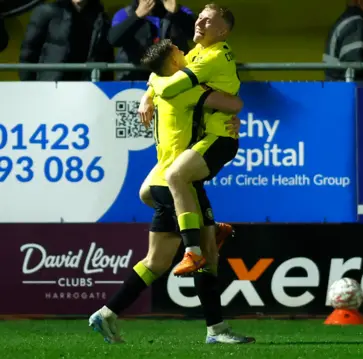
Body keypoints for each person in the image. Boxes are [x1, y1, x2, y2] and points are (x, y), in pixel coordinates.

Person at [89, 39, 254, 345]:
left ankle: (106, 313)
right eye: (180, 52)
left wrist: (148, 95)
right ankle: (216, 330)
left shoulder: (159, 81)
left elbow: (154, 77)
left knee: (156, 262)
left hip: (162, 181)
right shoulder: (183, 88)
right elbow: (235, 105)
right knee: (207, 255)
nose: (186, 54)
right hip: (179, 183)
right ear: (175, 63)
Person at [139, 3, 240, 277]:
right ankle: (209, 227)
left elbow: (169, 86)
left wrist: (153, 88)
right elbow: (160, 73)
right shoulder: (198, 52)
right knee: (150, 193)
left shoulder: (214, 56)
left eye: (207, 21)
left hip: (219, 136)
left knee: (176, 177)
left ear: (222, 31)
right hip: (204, 136)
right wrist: (147, 94)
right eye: (199, 18)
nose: (199, 23)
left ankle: (193, 252)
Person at [19, 0, 113, 81]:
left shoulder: (102, 20)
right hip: (50, 88)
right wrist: (30, 87)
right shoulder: (46, 12)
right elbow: (28, 53)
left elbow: (106, 60)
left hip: (87, 91)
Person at [109, 0, 195, 81]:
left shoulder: (181, 11)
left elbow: (196, 35)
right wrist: (137, 16)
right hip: (134, 79)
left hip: (173, 78)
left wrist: (176, 13)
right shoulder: (126, 13)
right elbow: (114, 40)